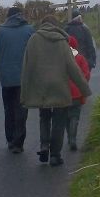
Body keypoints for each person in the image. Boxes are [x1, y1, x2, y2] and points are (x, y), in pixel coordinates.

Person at [20, 15, 91, 166]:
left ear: (42, 25)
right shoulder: (61, 42)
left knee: (44, 117)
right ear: (55, 26)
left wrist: (24, 92)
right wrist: (84, 89)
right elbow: (72, 68)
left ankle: (44, 145)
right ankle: (55, 155)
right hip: (60, 87)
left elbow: (27, 67)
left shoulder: (33, 40)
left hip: (41, 87)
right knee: (59, 121)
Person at [0, 6, 35, 153]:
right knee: (21, 109)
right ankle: (18, 142)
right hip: (23, 76)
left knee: (8, 109)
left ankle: (10, 139)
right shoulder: (29, 30)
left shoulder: (0, 30)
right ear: (20, 15)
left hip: (5, 76)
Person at [66, 36, 91, 151]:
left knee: (66, 116)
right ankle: (73, 139)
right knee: (75, 116)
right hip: (77, 93)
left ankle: (69, 137)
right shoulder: (80, 58)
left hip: (63, 92)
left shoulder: (61, 58)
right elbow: (86, 74)